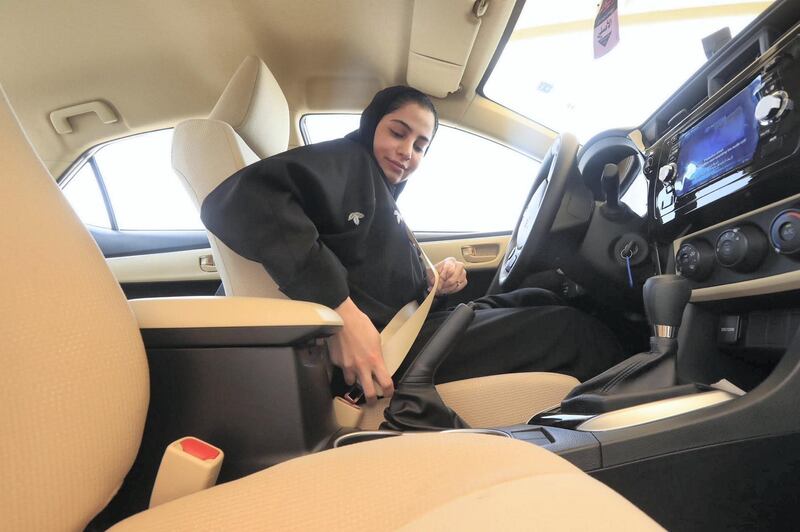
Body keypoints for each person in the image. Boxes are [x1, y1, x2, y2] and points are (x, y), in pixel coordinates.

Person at [201, 86, 622, 404]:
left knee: (539, 292)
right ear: (371, 126)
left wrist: (433, 279)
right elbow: (239, 201)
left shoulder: (376, 189)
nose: (407, 152)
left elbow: (369, 263)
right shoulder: (346, 162)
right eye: (397, 133)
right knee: (572, 331)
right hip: (392, 354)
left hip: (417, 326)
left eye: (420, 145)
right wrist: (341, 311)